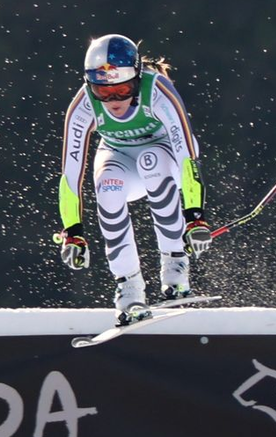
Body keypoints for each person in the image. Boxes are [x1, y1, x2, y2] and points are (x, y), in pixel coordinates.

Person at [56, 34, 212, 325]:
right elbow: (71, 172)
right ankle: (128, 288)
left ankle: (175, 266)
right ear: (91, 86)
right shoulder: (84, 102)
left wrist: (195, 216)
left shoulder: (157, 91)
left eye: (123, 89)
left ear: (137, 79)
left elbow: (186, 156)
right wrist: (73, 231)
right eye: (104, 92)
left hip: (165, 155)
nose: (114, 100)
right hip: (118, 155)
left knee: (150, 160)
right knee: (107, 185)